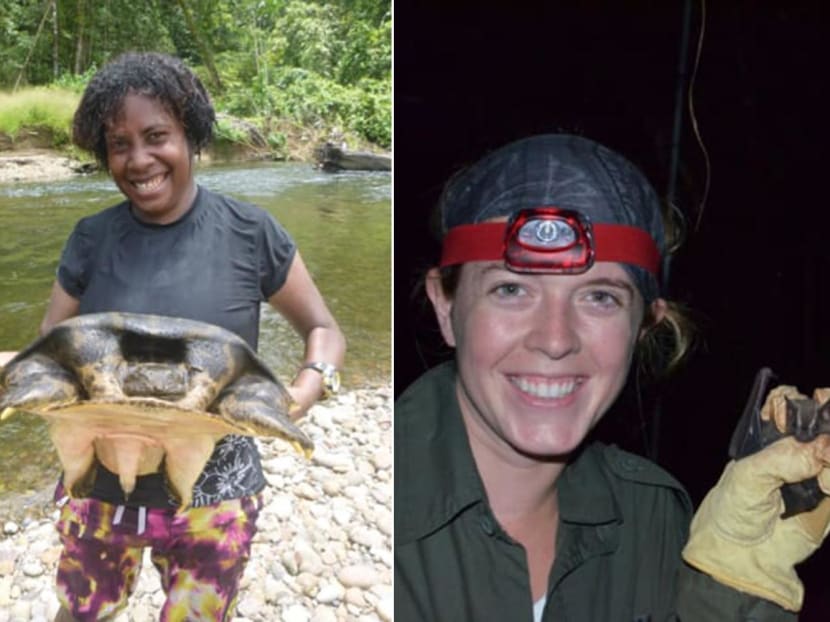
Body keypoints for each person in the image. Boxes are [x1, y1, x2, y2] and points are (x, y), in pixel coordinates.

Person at [394, 134, 830, 621]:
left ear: (644, 325)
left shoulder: (652, 520)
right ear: (445, 306)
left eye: (600, 297)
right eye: (511, 289)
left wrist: (731, 589)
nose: (555, 339)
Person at [39, 51, 346, 621]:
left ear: (192, 135)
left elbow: (323, 329)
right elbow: (52, 346)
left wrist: (307, 388)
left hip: (217, 491)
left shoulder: (251, 233)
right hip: (99, 482)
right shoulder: (90, 238)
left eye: (156, 136)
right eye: (119, 144)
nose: (139, 160)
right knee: (81, 611)